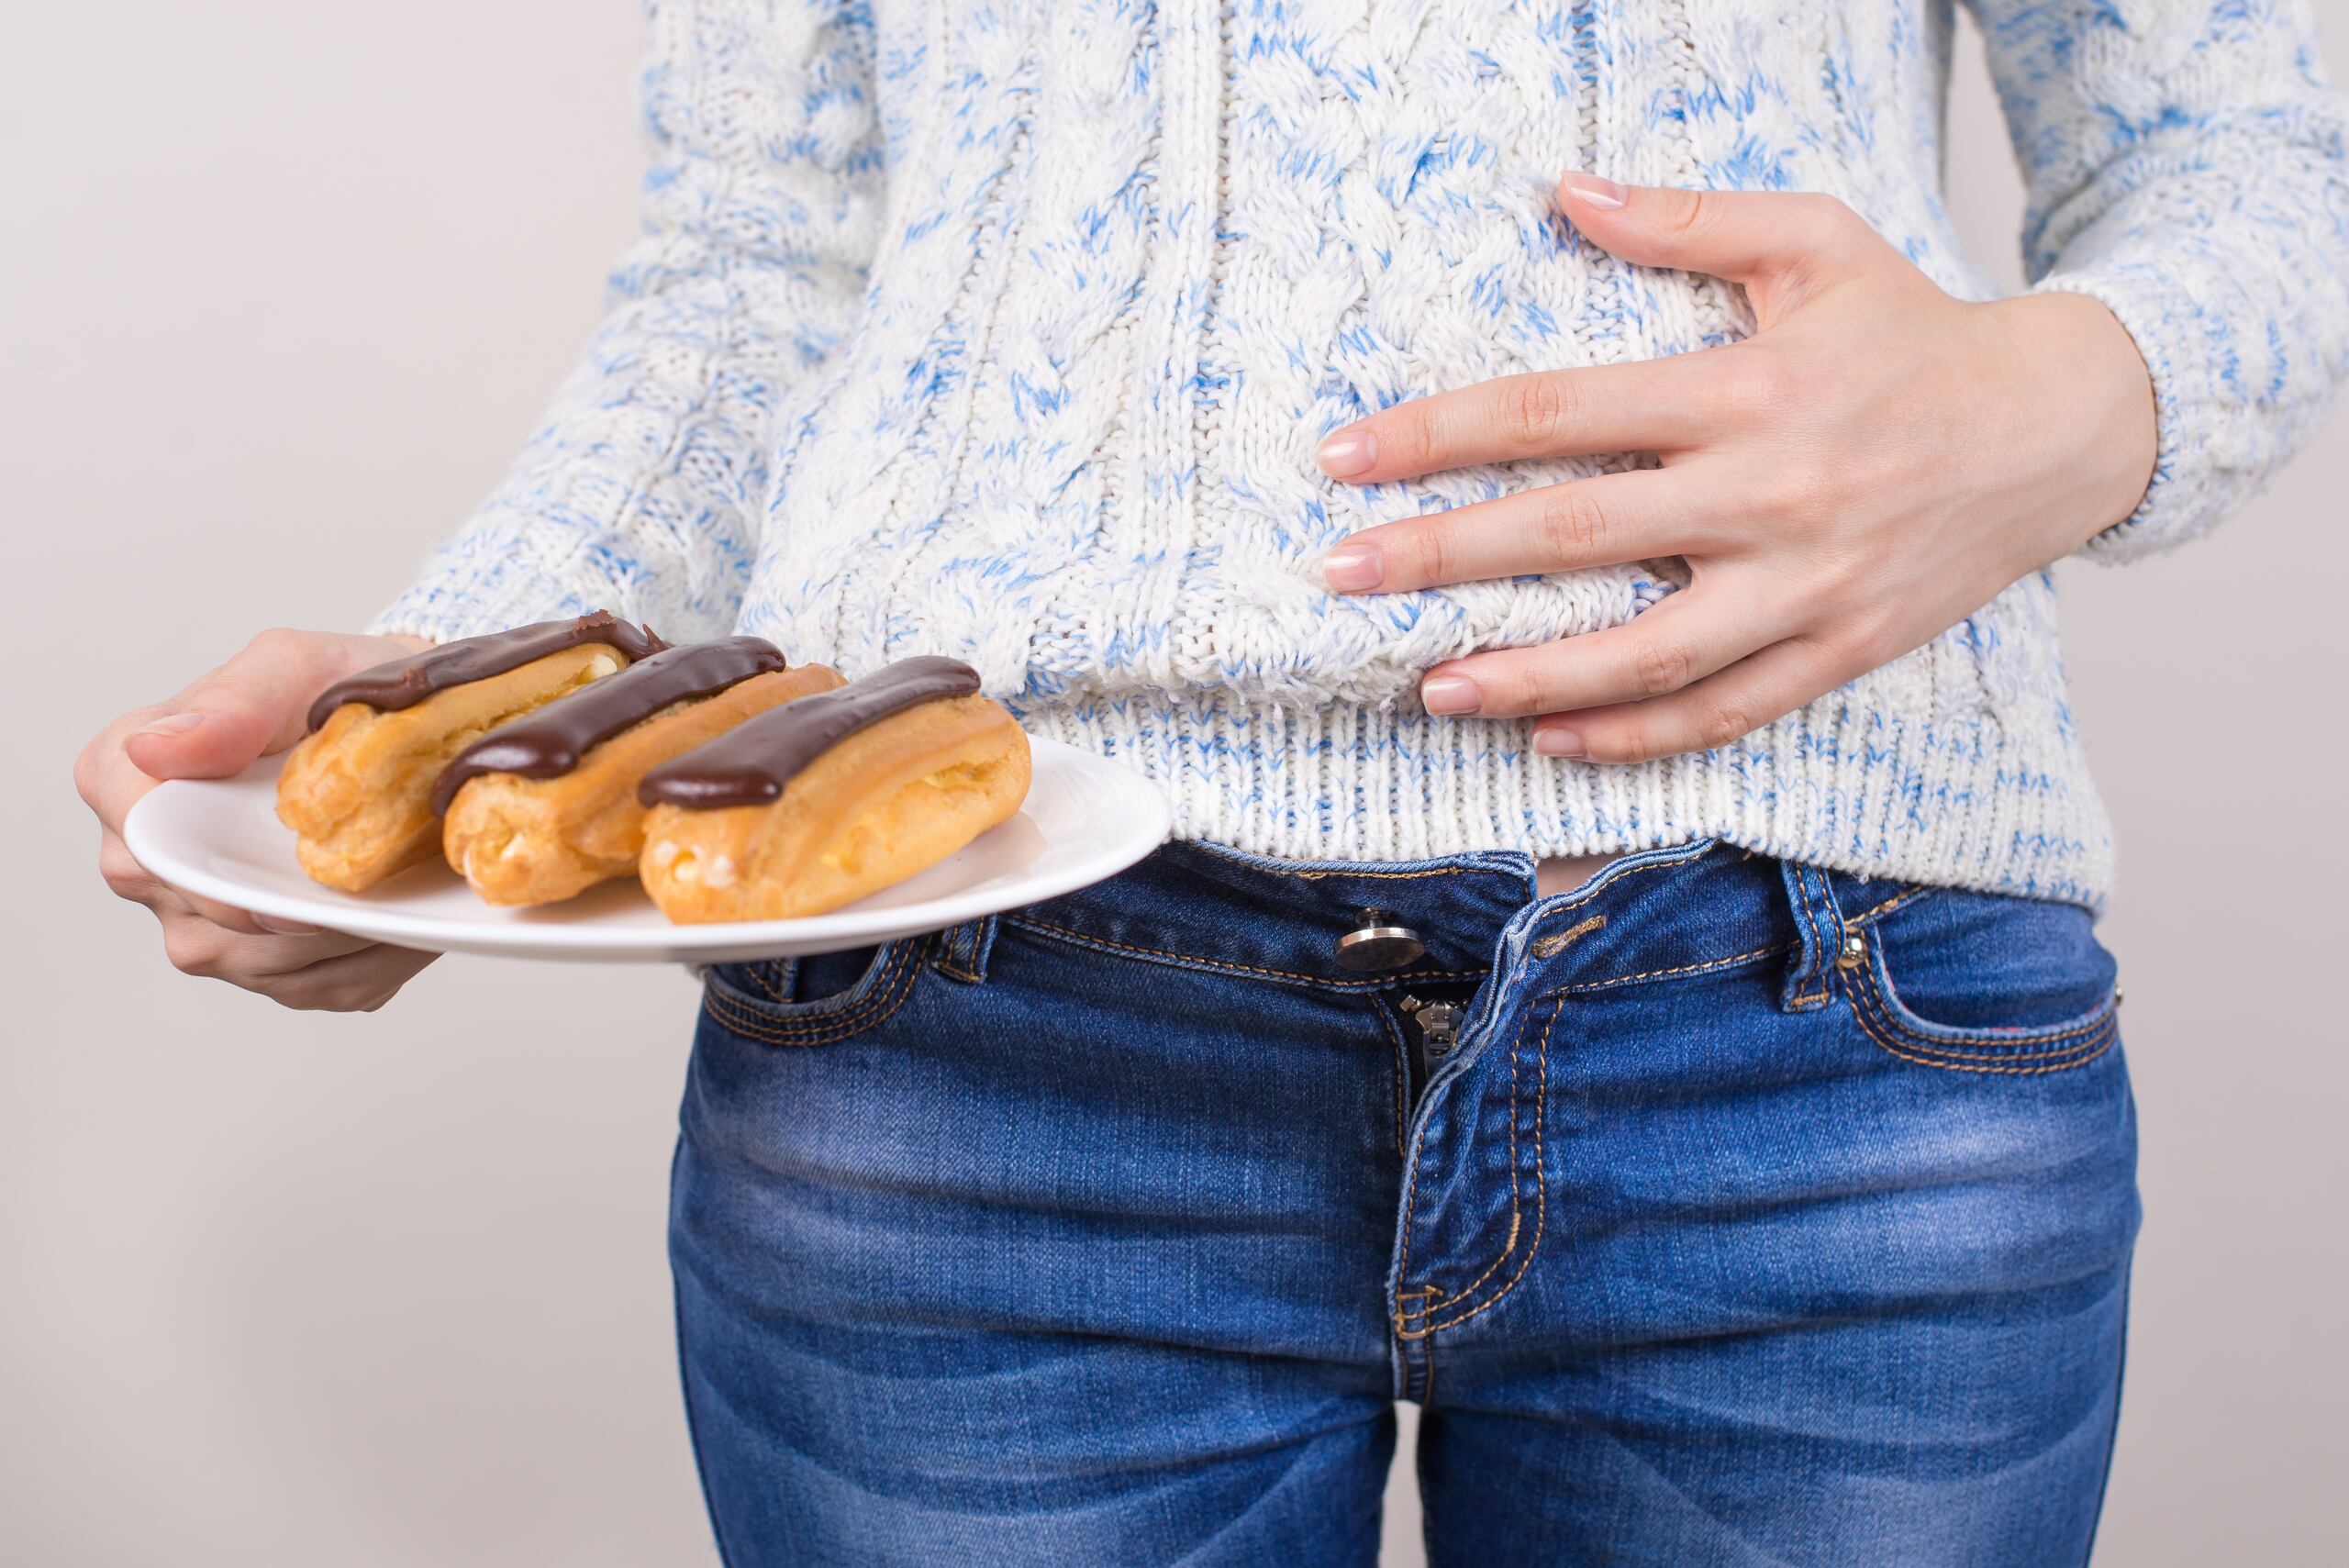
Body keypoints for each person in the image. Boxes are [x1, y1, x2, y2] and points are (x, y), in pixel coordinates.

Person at [73, 0, 2347, 1562]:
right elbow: (754, 273)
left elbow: (2255, 153)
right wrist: (481, 679)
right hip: (983, 1038)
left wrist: (2067, 401)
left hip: (1822, 1030)